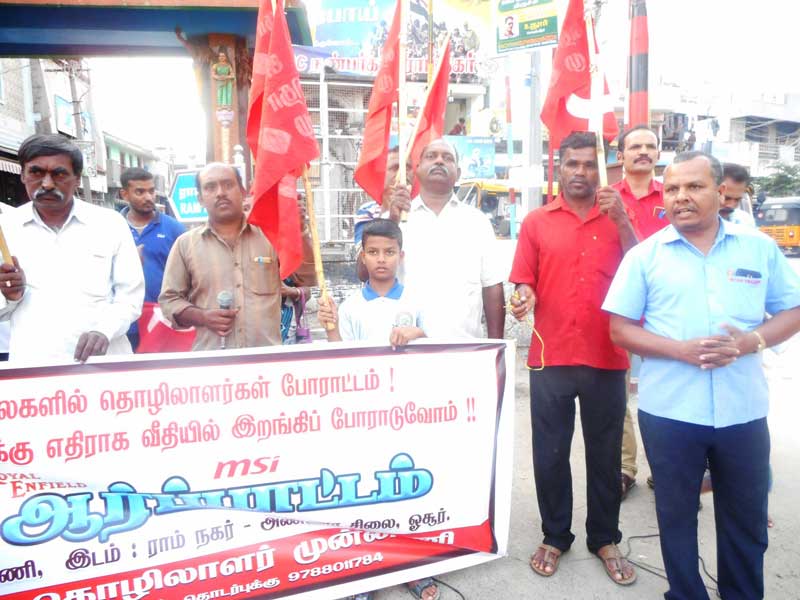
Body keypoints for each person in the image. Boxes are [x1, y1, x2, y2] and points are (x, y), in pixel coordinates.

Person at [603, 151, 800, 600]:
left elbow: (793, 309)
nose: (681, 197)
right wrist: (680, 351)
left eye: (694, 186)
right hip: (671, 412)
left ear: (720, 191)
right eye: (672, 189)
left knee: (746, 520)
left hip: (743, 411)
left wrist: (751, 342)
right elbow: (620, 329)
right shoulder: (645, 256)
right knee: (676, 517)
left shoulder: (758, 248)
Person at [508, 132, 638, 585]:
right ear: (559, 167)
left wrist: (623, 220)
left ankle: (604, 537)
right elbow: (524, 279)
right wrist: (523, 296)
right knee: (550, 454)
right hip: (551, 355)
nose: (580, 171)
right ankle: (555, 535)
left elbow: (643, 268)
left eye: (588, 164)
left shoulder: (617, 216)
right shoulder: (536, 222)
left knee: (605, 455)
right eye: (572, 163)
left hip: (607, 355)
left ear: (600, 169)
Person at [318, 219, 431, 600]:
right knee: (369, 487)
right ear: (362, 257)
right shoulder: (350, 306)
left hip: (410, 410)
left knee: (408, 485)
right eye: (373, 252)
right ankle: (366, 570)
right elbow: (341, 361)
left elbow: (440, 344)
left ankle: (413, 564)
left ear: (401, 255)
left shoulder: (416, 301)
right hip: (366, 414)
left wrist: (417, 332)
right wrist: (331, 329)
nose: (381, 259)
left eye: (389, 252)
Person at [0, 134, 144, 364]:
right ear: (23, 175)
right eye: (36, 172)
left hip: (103, 365)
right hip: (34, 367)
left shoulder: (109, 224)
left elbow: (130, 297)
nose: (47, 184)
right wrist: (9, 296)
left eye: (59, 174)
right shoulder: (5, 229)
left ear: (77, 178)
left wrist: (104, 330)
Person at [159, 162, 316, 351]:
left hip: (266, 359)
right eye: (210, 187)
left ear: (242, 191)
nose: (220, 193)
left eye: (228, 184)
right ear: (200, 198)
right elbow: (169, 300)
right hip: (213, 361)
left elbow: (307, 278)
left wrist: (299, 231)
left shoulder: (270, 236)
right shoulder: (185, 245)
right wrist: (202, 317)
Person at [389, 138, 505, 340]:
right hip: (407, 348)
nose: (439, 161)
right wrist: (392, 222)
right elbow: (364, 273)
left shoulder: (477, 222)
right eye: (431, 156)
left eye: (447, 158)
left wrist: (497, 347)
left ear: (458, 173)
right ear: (417, 169)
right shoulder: (396, 218)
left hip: (465, 347)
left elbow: (492, 287)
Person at [612, 125, 665, 498]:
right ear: (620, 156)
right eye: (635, 147)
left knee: (667, 395)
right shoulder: (607, 197)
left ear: (658, 153)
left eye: (650, 146)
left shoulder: (674, 195)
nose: (643, 152)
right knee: (617, 396)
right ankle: (624, 468)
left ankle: (668, 469)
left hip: (665, 312)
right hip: (620, 313)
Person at [119, 167, 186, 350]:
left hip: (163, 323)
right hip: (123, 325)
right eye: (140, 192)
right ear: (124, 194)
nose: (148, 197)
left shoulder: (174, 229)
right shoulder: (112, 228)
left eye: (151, 191)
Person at [353, 147, 412, 282]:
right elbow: (363, 272)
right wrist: (392, 221)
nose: (403, 173)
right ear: (381, 175)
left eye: (408, 168)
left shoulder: (422, 209)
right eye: (395, 168)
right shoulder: (368, 212)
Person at [720, 162, 756, 226]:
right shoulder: (700, 222)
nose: (731, 205)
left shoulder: (746, 222)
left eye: (737, 200)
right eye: (726, 198)